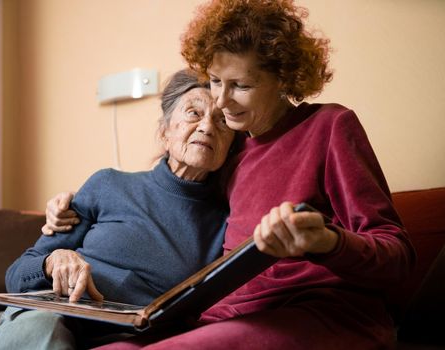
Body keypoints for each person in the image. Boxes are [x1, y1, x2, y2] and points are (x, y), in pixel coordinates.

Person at [47, 1, 416, 349]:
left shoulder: (330, 126)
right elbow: (168, 194)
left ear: (284, 78)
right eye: (215, 81)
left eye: (241, 85)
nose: (221, 102)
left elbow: (397, 257)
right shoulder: (231, 151)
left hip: (322, 314)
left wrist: (327, 241)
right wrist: (69, 210)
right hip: (227, 317)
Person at [0, 69, 235, 350]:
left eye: (222, 121)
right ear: (164, 132)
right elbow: (15, 275)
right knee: (41, 330)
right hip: (52, 316)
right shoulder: (108, 184)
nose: (208, 127)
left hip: (129, 337)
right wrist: (53, 260)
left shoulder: (226, 223)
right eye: (193, 113)